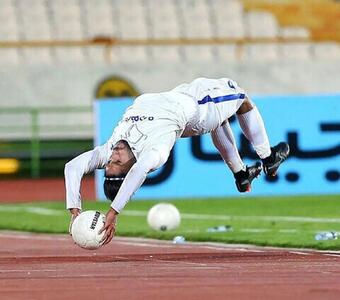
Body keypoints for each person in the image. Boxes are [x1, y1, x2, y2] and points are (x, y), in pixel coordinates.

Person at [65, 77, 289, 245]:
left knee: (220, 120)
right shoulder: (154, 152)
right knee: (241, 98)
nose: (111, 160)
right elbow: (139, 172)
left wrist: (74, 210)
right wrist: (113, 213)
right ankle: (268, 158)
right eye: (115, 165)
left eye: (107, 166)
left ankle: (241, 174)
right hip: (196, 108)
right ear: (128, 168)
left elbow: (72, 167)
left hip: (176, 98)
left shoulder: (109, 150)